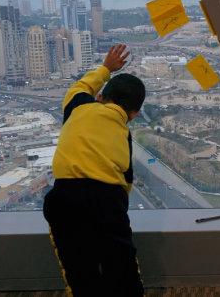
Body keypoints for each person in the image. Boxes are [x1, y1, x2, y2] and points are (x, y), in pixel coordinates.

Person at [43, 44, 146, 297]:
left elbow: (80, 87)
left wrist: (106, 68)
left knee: (79, 270)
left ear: (100, 97)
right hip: (107, 200)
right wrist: (118, 205)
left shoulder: (78, 106)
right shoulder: (123, 131)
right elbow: (126, 178)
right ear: (133, 115)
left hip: (65, 197)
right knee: (121, 266)